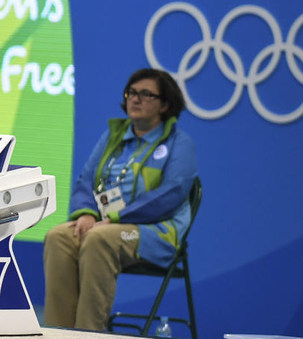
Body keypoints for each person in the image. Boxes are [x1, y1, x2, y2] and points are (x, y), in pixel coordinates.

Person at [42, 68, 197, 331]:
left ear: (165, 105)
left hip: (157, 233)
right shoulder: (114, 137)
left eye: (146, 94)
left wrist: (116, 219)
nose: (135, 99)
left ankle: (88, 335)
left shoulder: (178, 143)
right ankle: (58, 334)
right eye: (131, 93)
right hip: (106, 227)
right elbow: (85, 181)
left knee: (99, 239)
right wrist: (86, 214)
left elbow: (171, 194)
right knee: (58, 237)